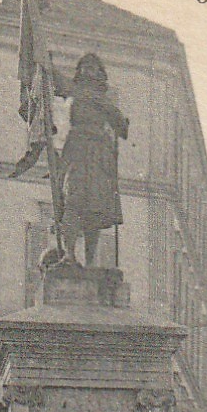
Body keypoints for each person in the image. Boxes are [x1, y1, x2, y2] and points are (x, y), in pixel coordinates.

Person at [58, 53, 129, 267]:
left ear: (100, 74)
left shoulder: (104, 101)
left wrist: (120, 120)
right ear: (79, 71)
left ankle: (89, 262)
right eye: (85, 67)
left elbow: (122, 128)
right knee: (72, 202)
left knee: (96, 209)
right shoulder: (74, 91)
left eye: (93, 68)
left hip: (99, 156)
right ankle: (69, 255)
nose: (88, 71)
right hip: (78, 151)